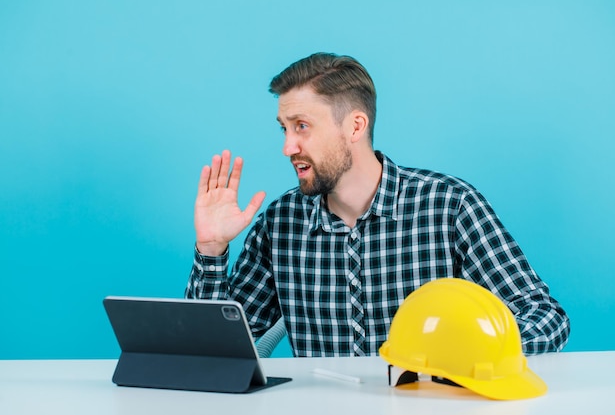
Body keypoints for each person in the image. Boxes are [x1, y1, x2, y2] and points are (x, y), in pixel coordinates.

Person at [185, 52, 570, 357]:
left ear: (355, 126)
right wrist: (212, 249)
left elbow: (544, 318)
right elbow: (212, 351)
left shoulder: (448, 205)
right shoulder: (280, 223)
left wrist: (468, 357)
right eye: (283, 128)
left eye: (301, 126)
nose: (288, 147)